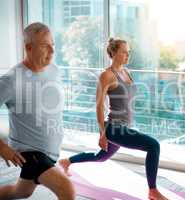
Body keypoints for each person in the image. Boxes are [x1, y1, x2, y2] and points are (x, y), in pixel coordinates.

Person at [0, 22, 75, 200]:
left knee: (21, 192)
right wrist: (0, 146)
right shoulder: (11, 80)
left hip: (50, 151)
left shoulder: (54, 70)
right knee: (67, 190)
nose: (52, 50)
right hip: (28, 151)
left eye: (53, 44)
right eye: (44, 45)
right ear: (29, 47)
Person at [59, 38, 169, 200]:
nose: (127, 55)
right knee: (153, 145)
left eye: (128, 52)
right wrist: (102, 133)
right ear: (113, 53)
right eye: (124, 52)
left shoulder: (126, 72)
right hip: (114, 128)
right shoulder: (107, 75)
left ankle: (67, 161)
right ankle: (153, 191)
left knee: (100, 157)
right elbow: (99, 106)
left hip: (125, 126)